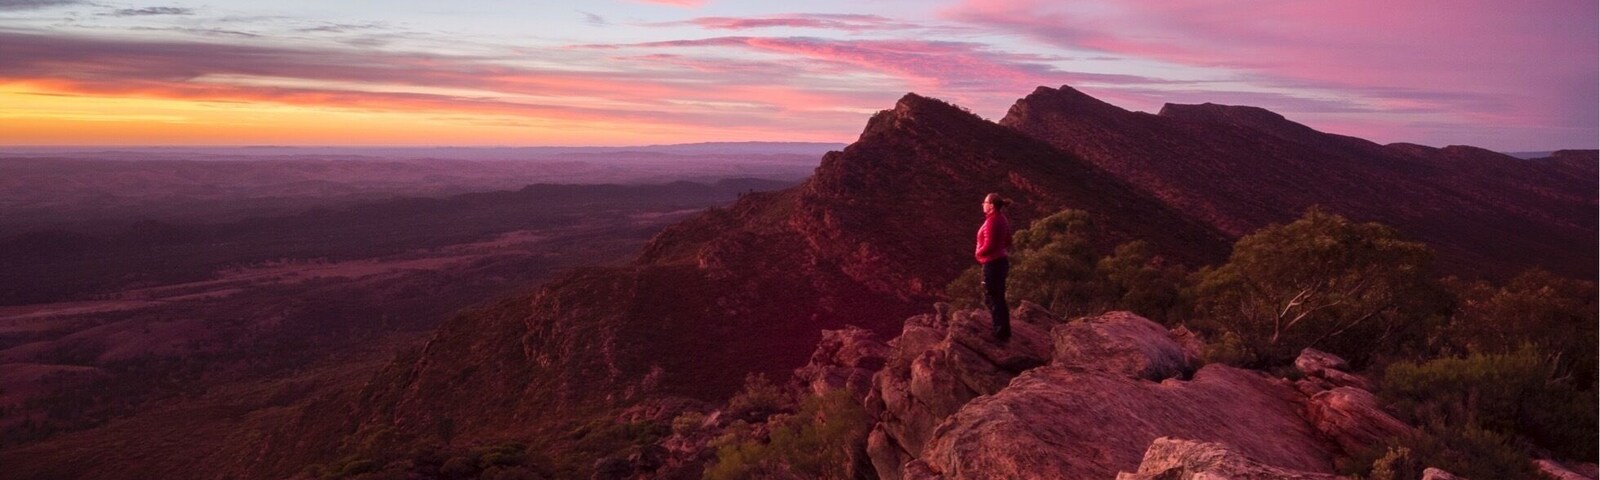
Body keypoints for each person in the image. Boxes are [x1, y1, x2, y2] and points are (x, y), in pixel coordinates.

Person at [975, 193, 1013, 341]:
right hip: (1000, 260)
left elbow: (989, 244)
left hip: (992, 263)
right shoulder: (1001, 219)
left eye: (984, 202)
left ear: (991, 206)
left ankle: (1000, 331)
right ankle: (1003, 329)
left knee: (991, 297)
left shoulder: (992, 221)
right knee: (998, 296)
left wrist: (978, 253)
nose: (982, 204)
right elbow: (1008, 240)